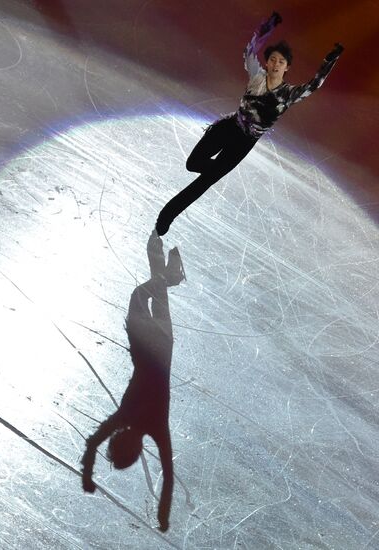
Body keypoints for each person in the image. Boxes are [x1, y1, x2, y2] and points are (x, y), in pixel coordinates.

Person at [155, 12, 344, 236]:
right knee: (193, 164)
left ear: (287, 68)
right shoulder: (257, 75)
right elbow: (250, 51)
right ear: (268, 62)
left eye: (281, 62)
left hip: (243, 144)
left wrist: (329, 61)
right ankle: (212, 174)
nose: (275, 64)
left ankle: (166, 216)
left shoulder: (288, 94)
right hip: (229, 127)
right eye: (272, 59)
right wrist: (267, 28)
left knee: (205, 182)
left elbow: (313, 86)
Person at [81, 231, 185, 532]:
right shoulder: (133, 421)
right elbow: (93, 444)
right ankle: (165, 268)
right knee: (146, 294)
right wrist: (87, 475)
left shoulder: (140, 424)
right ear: (128, 444)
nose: (121, 439)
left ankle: (162, 260)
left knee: (152, 295)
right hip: (148, 342)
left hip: (161, 344)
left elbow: (167, 476)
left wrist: (163, 517)